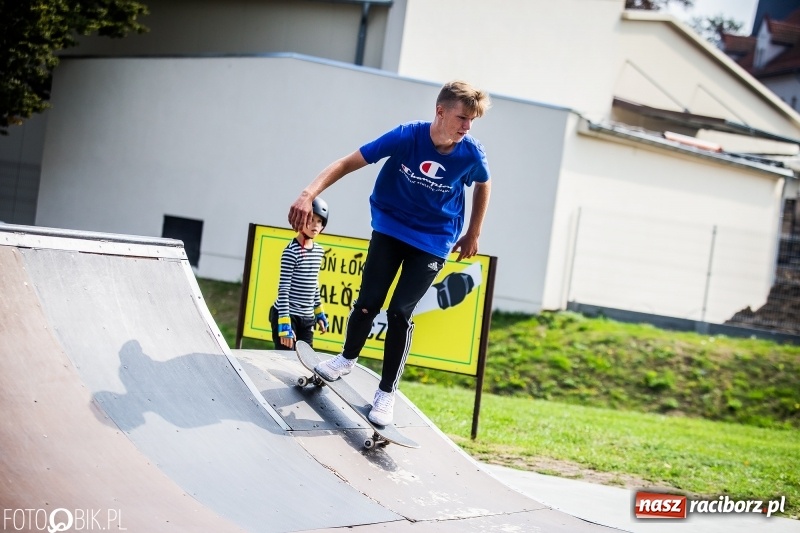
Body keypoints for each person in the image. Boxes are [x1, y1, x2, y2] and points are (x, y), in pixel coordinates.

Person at [288, 80, 492, 425]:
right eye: (462, 117)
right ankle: (346, 359)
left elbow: (483, 183)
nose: (467, 127)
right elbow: (348, 162)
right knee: (368, 301)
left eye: (472, 121)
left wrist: (473, 232)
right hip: (390, 226)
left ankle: (386, 393)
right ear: (440, 111)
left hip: (433, 239)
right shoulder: (405, 137)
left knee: (399, 312)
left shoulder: (471, 153)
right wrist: (308, 193)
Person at [270, 197, 330, 350]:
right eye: (310, 219)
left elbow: (313, 283)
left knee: (305, 360)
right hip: (287, 315)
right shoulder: (291, 252)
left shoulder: (318, 251)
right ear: (301, 220)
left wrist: (319, 312)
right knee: (286, 359)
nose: (315, 225)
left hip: (307, 317)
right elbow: (283, 290)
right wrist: (284, 324)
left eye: (319, 221)